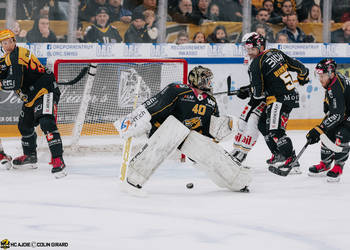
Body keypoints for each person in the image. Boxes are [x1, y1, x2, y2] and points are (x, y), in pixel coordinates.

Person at [114, 66, 251, 192]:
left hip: (186, 136)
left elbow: (208, 132)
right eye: (206, 80)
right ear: (196, 80)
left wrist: (224, 128)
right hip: (162, 130)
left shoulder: (210, 102)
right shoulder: (177, 90)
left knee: (212, 153)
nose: (209, 83)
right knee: (176, 128)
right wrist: (130, 123)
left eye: (210, 80)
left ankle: (238, 181)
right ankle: (133, 179)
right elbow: (153, 107)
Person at [0, 29, 66, 178]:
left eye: (9, 41)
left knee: (46, 122)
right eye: (3, 43)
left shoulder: (17, 55)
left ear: (14, 41)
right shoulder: (7, 58)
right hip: (31, 96)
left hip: (45, 91)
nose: (6, 44)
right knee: (24, 125)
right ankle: (30, 157)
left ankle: (58, 160)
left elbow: (15, 83)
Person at [242, 33, 309, 175]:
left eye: (252, 49)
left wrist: (247, 92)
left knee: (275, 131)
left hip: (278, 99)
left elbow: (258, 94)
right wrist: (302, 78)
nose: (249, 52)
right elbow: (301, 68)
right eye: (247, 49)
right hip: (290, 96)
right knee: (262, 124)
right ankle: (279, 154)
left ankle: (292, 160)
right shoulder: (276, 52)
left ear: (260, 47)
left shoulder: (255, 64)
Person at [307, 58, 350, 182]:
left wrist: (320, 128)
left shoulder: (336, 86)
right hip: (344, 112)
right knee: (326, 133)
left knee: (342, 134)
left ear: (331, 73)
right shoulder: (333, 81)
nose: (320, 79)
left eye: (323, 76)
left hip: (346, 115)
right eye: (319, 75)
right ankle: (325, 164)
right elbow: (336, 110)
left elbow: (338, 115)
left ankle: (338, 167)